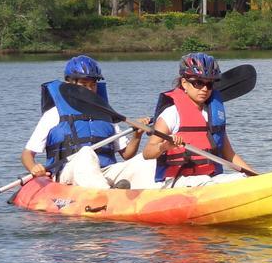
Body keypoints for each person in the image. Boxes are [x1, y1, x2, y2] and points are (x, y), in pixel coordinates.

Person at [21, 55, 153, 189]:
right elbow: (27, 154)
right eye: (84, 85)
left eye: (93, 85)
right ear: (68, 84)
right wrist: (34, 167)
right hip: (68, 173)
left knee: (144, 160)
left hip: (105, 172)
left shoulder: (105, 113)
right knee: (85, 153)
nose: (89, 89)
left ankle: (152, 194)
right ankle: (107, 194)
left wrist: (137, 135)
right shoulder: (54, 114)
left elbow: (127, 155)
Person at [141, 52, 255, 188]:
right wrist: (165, 146)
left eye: (209, 84)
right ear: (184, 83)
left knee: (243, 179)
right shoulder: (171, 114)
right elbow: (147, 153)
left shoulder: (213, 115)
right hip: (178, 182)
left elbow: (229, 155)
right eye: (198, 83)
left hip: (210, 178)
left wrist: (255, 176)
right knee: (207, 183)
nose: (204, 89)